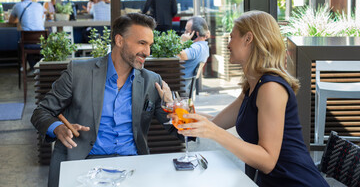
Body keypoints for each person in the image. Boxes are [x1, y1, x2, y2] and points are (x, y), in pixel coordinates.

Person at [177, 11, 329, 186]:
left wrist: (214, 133)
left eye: (232, 37)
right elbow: (216, 123)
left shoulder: (271, 87)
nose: (227, 45)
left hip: (296, 182)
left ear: (248, 39)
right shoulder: (252, 85)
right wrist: (183, 113)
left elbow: (267, 161)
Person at [31, 13, 179, 187]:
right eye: (142, 43)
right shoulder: (79, 73)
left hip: (132, 165)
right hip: (83, 162)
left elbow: (178, 130)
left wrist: (173, 107)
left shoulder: (151, 81)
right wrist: (58, 129)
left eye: (149, 45)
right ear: (119, 40)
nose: (147, 52)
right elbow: (41, 112)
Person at [9, 0, 45, 71]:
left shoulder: (17, 6)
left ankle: (32, 68)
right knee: (31, 43)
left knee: (23, 43)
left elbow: (11, 21)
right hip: (41, 40)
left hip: (27, 40)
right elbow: (42, 17)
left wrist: (20, 19)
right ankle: (38, 68)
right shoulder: (39, 6)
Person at [177, 16, 209, 96]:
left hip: (180, 86)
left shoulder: (196, 47)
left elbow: (181, 55)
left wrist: (182, 41)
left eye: (187, 31)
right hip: (186, 85)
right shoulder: (204, 46)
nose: (184, 33)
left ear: (196, 34)